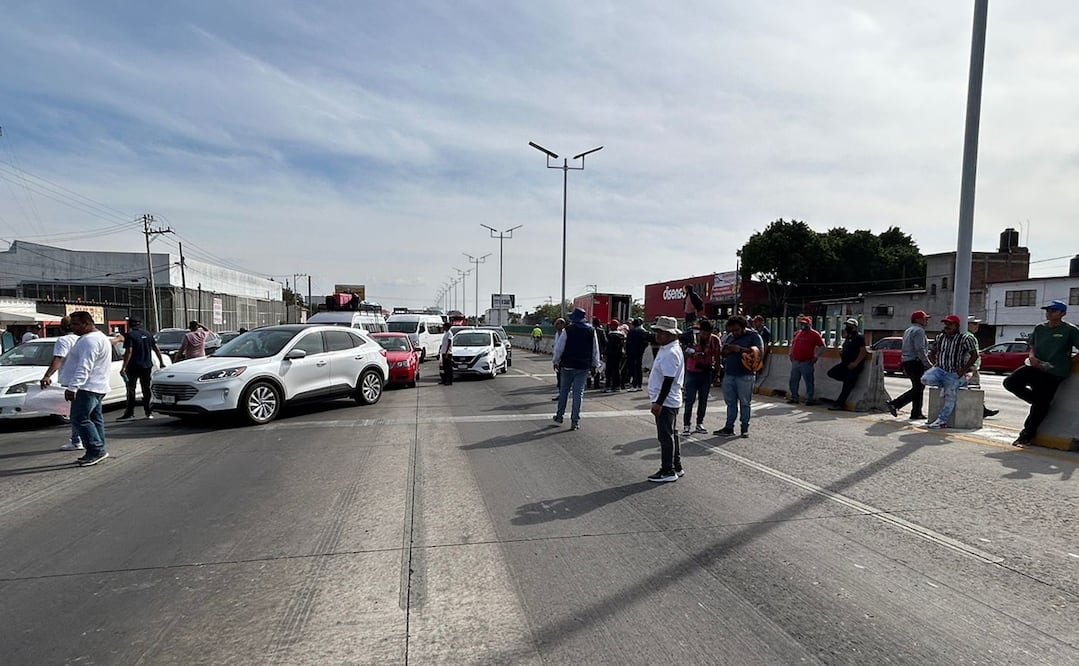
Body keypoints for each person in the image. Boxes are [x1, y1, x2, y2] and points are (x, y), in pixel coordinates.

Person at [1004, 300, 1079, 447]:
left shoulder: (1070, 330)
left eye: (1053, 310)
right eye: (1048, 310)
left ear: (1062, 313)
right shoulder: (1040, 328)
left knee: (1039, 407)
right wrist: (1032, 357)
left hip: (1055, 372)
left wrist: (1069, 362)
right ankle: (1036, 400)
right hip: (1037, 367)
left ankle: (1026, 435)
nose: (1049, 313)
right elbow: (1032, 345)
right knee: (1010, 382)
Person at [58, 311, 113, 466]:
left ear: (87, 323)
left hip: (87, 387)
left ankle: (96, 450)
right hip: (96, 385)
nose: (72, 327)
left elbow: (85, 366)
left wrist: (73, 387)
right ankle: (99, 448)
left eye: (76, 324)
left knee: (79, 418)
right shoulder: (99, 337)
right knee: (95, 418)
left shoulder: (89, 340)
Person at [921, 314, 979, 429]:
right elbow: (932, 352)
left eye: (950, 324)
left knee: (950, 396)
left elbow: (974, 355)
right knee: (925, 379)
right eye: (946, 323)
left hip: (954, 372)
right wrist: (935, 364)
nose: (947, 326)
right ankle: (945, 384)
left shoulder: (965, 339)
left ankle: (942, 420)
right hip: (940, 369)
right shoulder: (940, 337)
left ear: (956, 326)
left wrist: (963, 370)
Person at [647, 316, 686, 482]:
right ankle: (676, 465)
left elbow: (668, 380)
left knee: (665, 436)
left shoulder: (670, 353)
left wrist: (658, 403)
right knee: (671, 433)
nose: (658, 335)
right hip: (669, 399)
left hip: (666, 401)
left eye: (661, 332)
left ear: (671, 334)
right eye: (657, 331)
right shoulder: (668, 348)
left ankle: (667, 470)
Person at [713, 315, 764, 437]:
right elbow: (723, 353)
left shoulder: (754, 336)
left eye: (736, 330)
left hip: (745, 375)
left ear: (743, 327)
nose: (734, 333)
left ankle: (744, 428)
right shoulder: (730, 337)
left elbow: (759, 354)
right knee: (730, 403)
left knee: (745, 403)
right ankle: (729, 427)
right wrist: (728, 350)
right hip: (730, 373)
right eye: (732, 331)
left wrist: (740, 349)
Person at [39, 316, 83, 451]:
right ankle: (86, 439)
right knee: (89, 413)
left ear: (62, 327)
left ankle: (77, 440)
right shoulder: (83, 339)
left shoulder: (63, 340)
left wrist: (47, 375)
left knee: (75, 412)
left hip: (71, 379)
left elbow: (58, 358)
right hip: (85, 378)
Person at [553, 307, 601, 431]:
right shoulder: (591, 330)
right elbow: (595, 350)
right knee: (578, 394)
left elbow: (559, 348)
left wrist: (556, 361)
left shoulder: (567, 330)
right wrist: (595, 365)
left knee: (564, 391)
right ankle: (575, 421)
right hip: (582, 366)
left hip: (567, 365)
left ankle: (559, 416)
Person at [886, 310, 933, 420]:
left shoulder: (908, 330)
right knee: (918, 387)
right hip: (916, 362)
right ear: (917, 319)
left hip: (907, 361)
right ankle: (896, 404)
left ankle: (916, 412)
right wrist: (928, 364)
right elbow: (920, 349)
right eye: (924, 318)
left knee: (918, 387)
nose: (926, 321)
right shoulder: (919, 331)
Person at [118, 317, 166, 421]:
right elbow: (156, 348)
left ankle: (130, 412)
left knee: (131, 389)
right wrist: (161, 361)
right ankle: (148, 412)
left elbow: (129, 351)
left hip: (133, 366)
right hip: (147, 365)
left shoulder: (130, 335)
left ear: (130, 324)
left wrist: (124, 366)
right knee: (146, 388)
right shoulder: (148, 334)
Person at [682, 318, 720, 435]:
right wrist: (693, 354)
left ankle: (699, 423)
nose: (706, 336)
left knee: (703, 400)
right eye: (704, 333)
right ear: (700, 330)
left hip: (706, 373)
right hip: (692, 372)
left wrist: (717, 374)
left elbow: (718, 357)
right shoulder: (692, 338)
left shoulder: (715, 340)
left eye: (708, 333)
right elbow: (684, 350)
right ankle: (686, 425)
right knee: (690, 400)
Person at [827, 318, 868, 411]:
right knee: (831, 373)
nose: (846, 327)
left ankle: (839, 404)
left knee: (846, 388)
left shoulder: (859, 337)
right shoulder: (848, 337)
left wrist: (855, 363)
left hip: (853, 366)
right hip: (845, 364)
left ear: (854, 327)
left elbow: (863, 351)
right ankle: (847, 382)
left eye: (849, 326)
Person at [965, 317, 999, 418]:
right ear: (968, 325)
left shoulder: (968, 335)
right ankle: (981, 410)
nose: (977, 326)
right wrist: (972, 366)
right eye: (974, 324)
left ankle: (983, 409)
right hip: (971, 367)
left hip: (971, 367)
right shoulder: (969, 336)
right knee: (973, 388)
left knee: (971, 389)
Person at [787, 316, 826, 405]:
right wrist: (790, 354)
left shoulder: (814, 334)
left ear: (809, 324)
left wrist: (816, 356)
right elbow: (792, 344)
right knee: (793, 380)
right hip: (796, 361)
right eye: (802, 324)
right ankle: (794, 397)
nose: (803, 325)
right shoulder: (798, 333)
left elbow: (822, 346)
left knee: (808, 381)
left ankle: (809, 399)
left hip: (807, 362)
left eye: (805, 324)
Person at [625, 317, 649, 392]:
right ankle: (639, 385)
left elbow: (628, 344)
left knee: (634, 369)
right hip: (641, 352)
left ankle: (634, 384)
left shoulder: (631, 332)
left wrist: (627, 352)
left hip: (632, 352)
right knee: (639, 368)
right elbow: (646, 343)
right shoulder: (644, 331)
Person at [604, 320, 625, 393]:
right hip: (619, 355)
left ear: (613, 326)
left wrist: (605, 354)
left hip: (611, 355)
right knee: (617, 370)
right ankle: (617, 386)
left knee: (609, 371)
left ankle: (608, 386)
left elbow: (608, 346)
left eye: (611, 325)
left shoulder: (611, 335)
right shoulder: (621, 335)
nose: (609, 327)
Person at [550, 318, 566, 400]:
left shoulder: (565, 333)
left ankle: (563, 395)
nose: (556, 326)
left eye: (557, 324)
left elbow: (560, 349)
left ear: (562, 324)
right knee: (559, 378)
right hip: (558, 359)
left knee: (563, 379)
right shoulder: (557, 334)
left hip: (564, 359)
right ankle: (561, 394)